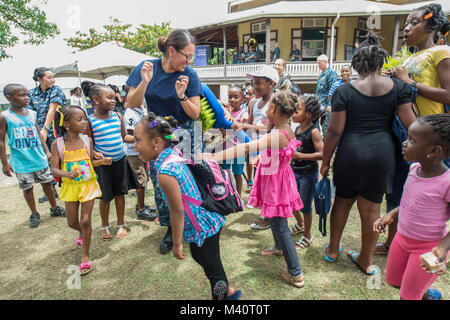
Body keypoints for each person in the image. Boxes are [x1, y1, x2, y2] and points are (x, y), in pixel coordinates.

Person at [320, 34, 416, 275]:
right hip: (382, 154)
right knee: (372, 209)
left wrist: (324, 162)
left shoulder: (344, 91)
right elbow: (412, 124)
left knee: (342, 201)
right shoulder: (400, 89)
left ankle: (333, 250)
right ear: (381, 63)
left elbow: (334, 131)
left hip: (350, 153)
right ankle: (366, 259)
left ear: (356, 65)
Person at [201, 90, 305, 288]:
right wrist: (260, 152)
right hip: (277, 178)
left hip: (276, 183)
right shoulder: (284, 129)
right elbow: (270, 145)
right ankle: (278, 247)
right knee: (275, 221)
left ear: (273, 109)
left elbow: (248, 147)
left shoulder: (279, 134)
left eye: (268, 109)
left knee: (280, 224)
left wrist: (215, 157)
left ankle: (295, 272)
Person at [133, 112, 242, 300]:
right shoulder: (172, 153)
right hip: (200, 220)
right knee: (200, 257)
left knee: (215, 274)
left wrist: (176, 244)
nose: (134, 145)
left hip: (204, 223)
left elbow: (177, 211)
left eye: (137, 140)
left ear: (156, 142)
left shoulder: (165, 171)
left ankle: (225, 296)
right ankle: (226, 291)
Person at [376, 2, 450, 254]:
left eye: (413, 23)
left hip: (428, 138)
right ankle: (391, 243)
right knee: (397, 190)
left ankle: (431, 248)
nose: (406, 29)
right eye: (406, 23)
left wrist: (410, 82)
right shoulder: (410, 57)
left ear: (430, 26)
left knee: (427, 198)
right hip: (403, 134)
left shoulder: (441, 52)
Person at [126, 29, 202, 254]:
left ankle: (193, 223)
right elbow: (131, 103)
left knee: (190, 181)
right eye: (186, 56)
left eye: (191, 57)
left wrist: (182, 96)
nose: (189, 61)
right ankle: (170, 229)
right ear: (171, 50)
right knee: (161, 183)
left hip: (186, 132)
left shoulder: (190, 75)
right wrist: (145, 83)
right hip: (158, 134)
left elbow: (196, 113)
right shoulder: (146, 68)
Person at [374, 114, 449, 300]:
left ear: (434, 150)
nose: (405, 143)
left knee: (407, 296)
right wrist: (392, 214)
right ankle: (425, 295)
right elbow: (411, 201)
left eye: (412, 140)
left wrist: (443, 248)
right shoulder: (414, 169)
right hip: (401, 239)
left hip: (428, 247)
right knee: (395, 281)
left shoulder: (446, 182)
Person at [0, 84, 65, 228]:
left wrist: (47, 151)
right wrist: (5, 162)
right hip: (21, 162)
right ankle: (34, 213)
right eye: (22, 95)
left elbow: (38, 134)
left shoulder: (31, 113)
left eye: (27, 95)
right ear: (9, 98)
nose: (27, 98)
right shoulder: (5, 117)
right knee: (27, 188)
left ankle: (54, 208)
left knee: (47, 184)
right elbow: (1, 141)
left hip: (38, 158)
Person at [50, 106, 104, 276]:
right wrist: (66, 173)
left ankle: (85, 256)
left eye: (84, 119)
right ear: (66, 124)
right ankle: (81, 232)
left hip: (88, 185)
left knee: (86, 220)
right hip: (70, 187)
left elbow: (92, 160)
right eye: (79, 119)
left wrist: (101, 160)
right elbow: (54, 169)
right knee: (72, 222)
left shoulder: (87, 140)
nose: (84, 122)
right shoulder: (58, 144)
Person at [85, 83, 138, 240]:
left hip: (120, 161)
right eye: (109, 98)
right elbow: (89, 143)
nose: (114, 100)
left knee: (120, 194)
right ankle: (105, 226)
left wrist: (140, 138)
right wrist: (95, 154)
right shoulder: (90, 121)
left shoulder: (118, 116)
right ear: (95, 99)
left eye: (114, 97)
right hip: (103, 166)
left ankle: (121, 224)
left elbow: (124, 137)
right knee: (106, 197)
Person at [233, 65, 279, 230]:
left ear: (271, 83)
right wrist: (237, 126)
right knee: (261, 182)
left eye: (259, 83)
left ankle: (268, 218)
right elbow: (250, 124)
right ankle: (266, 213)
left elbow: (273, 128)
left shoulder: (276, 102)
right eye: (254, 83)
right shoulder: (253, 102)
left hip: (271, 148)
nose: (255, 87)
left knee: (269, 183)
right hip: (256, 148)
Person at [28, 67, 66, 204]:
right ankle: (50, 189)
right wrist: (37, 132)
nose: (52, 80)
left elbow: (52, 109)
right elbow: (30, 114)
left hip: (55, 131)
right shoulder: (31, 93)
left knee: (61, 158)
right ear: (39, 79)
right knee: (45, 161)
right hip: (39, 133)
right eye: (48, 77)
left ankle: (66, 183)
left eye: (53, 77)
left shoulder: (55, 90)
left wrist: (45, 129)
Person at [290, 94, 323, 250]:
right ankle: (300, 223)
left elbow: (322, 153)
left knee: (305, 206)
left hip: (308, 174)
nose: (293, 111)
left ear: (308, 114)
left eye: (298, 109)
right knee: (292, 200)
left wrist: (300, 155)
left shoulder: (314, 131)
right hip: (294, 171)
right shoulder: (297, 128)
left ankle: (308, 235)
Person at [123, 102, 157, 221]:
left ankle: (141, 204)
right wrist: (145, 140)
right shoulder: (130, 112)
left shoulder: (142, 108)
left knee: (145, 179)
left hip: (142, 151)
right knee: (140, 181)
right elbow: (129, 134)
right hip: (134, 152)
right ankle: (141, 210)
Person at [222, 85, 248, 196]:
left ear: (242, 99)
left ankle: (238, 196)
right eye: (230, 97)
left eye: (236, 97)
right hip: (226, 148)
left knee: (237, 174)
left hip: (239, 149)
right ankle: (227, 194)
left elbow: (242, 129)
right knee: (225, 173)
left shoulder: (244, 114)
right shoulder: (226, 113)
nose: (232, 99)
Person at [315, 55, 338, 138]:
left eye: (320, 63)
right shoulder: (322, 74)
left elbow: (333, 90)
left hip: (327, 105)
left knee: (326, 127)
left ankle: (327, 146)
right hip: (320, 104)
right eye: (318, 63)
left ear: (325, 62)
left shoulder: (331, 73)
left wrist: (330, 104)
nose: (318, 65)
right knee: (316, 123)